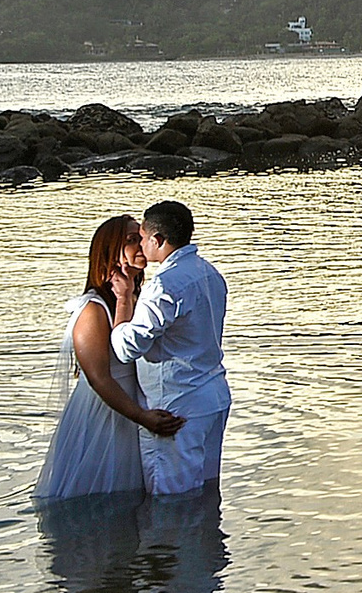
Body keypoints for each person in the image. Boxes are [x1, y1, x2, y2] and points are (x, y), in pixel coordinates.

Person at [33, 214, 183, 499]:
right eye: (131, 240)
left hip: (134, 409)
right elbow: (99, 378)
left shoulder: (140, 297)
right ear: (110, 252)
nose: (141, 244)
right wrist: (142, 417)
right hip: (104, 413)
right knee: (100, 497)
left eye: (141, 237)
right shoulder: (93, 309)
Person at [108, 199, 232, 496]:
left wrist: (123, 300)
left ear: (158, 240)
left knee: (172, 498)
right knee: (206, 493)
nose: (140, 245)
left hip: (176, 406)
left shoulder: (164, 285)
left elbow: (126, 348)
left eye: (142, 238)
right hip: (213, 397)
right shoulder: (210, 273)